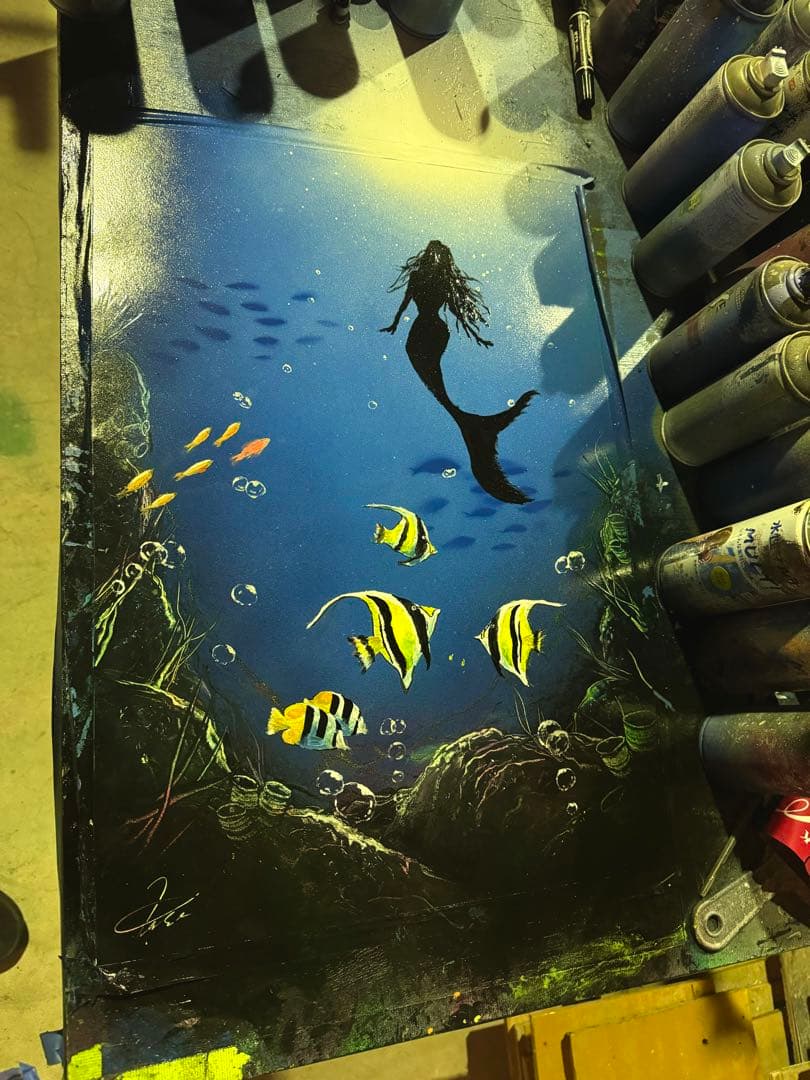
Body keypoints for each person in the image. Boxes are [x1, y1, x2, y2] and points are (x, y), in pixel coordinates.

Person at [381, 240, 536, 505]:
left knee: (435, 383)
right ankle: (474, 426)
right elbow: (430, 306)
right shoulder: (435, 278)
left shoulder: (427, 277)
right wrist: (395, 323)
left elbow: (444, 308)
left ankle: (474, 426)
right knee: (435, 382)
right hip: (430, 330)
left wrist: (477, 335)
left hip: (426, 329)